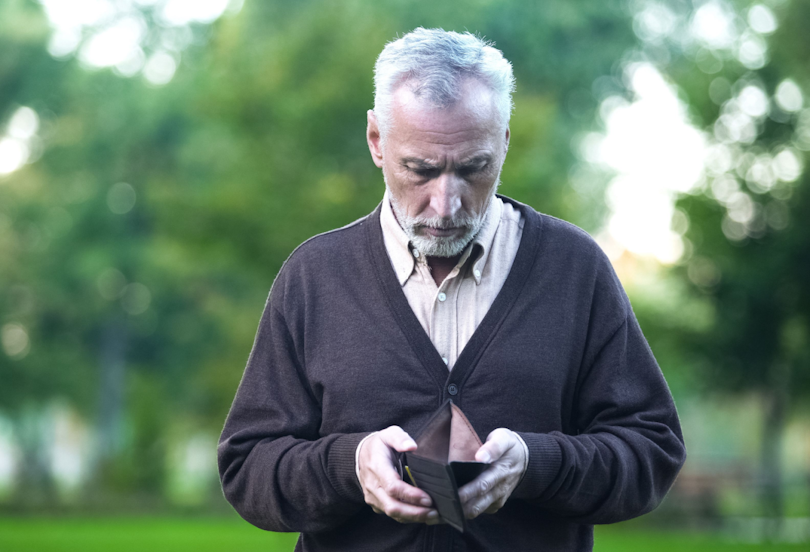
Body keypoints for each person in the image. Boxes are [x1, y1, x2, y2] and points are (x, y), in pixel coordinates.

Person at [218, 27, 686, 551]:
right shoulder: (313, 276)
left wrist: (537, 464)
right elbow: (246, 467)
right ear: (377, 141)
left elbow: (652, 450)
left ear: (504, 141)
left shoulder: (575, 270)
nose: (447, 203)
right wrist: (349, 465)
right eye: (420, 170)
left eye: (473, 169)